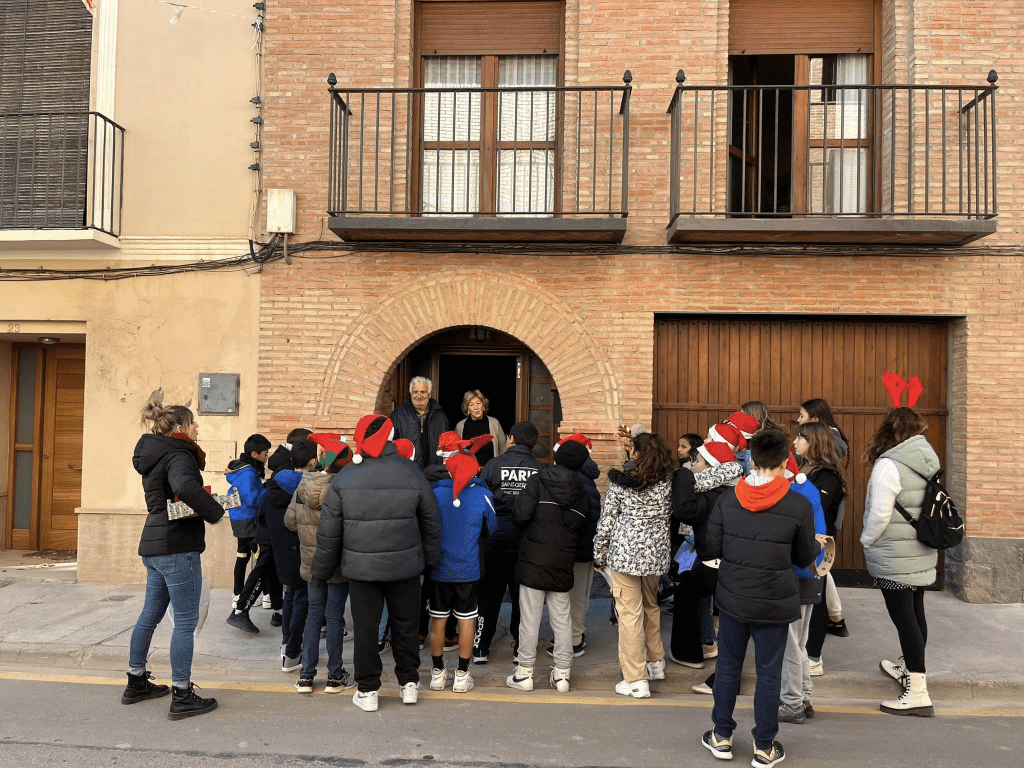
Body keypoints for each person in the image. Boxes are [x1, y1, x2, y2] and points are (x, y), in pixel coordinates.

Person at [701, 430, 820, 767]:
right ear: (785, 462)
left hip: (734, 598)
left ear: (751, 459)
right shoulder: (798, 504)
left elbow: (712, 547)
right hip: (774, 601)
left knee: (727, 667)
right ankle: (764, 747)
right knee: (769, 673)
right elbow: (802, 557)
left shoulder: (727, 499)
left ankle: (721, 736)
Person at [312, 415, 440, 712]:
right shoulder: (411, 471)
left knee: (366, 631)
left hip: (362, 570)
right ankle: (409, 685)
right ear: (391, 437)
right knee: (406, 627)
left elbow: (329, 530)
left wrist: (321, 570)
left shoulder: (345, 477)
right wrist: (431, 560)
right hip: (406, 566)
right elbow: (431, 520)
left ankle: (368, 690)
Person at [126, 389, 223, 720]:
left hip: (154, 545)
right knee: (185, 621)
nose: (198, 430)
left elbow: (169, 502)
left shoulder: (155, 453)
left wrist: (203, 505)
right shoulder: (180, 454)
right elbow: (184, 487)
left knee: (149, 615)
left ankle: (136, 681)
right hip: (177, 547)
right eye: (195, 424)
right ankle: (182, 695)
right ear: (181, 427)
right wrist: (215, 511)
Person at [861, 407, 939, 717]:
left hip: (895, 554)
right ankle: (910, 666)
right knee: (916, 611)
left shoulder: (888, 465)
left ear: (889, 432)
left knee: (904, 618)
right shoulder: (927, 459)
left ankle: (918, 692)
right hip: (920, 549)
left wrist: (867, 540)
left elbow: (880, 514)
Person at [507, 434, 591, 693]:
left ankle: (524, 673)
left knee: (529, 618)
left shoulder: (538, 480)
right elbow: (579, 525)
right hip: (562, 559)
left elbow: (520, 515)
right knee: (562, 619)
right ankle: (562, 675)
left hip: (533, 557)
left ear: (557, 457)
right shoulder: (582, 492)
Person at [594, 433, 676, 699]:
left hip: (624, 557)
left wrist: (599, 555)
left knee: (629, 615)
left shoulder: (621, 483)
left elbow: (606, 523)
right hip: (655, 559)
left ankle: (635, 679)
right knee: (651, 605)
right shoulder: (670, 482)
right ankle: (656, 664)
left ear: (637, 454)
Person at [427, 432, 497, 694]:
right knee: (467, 620)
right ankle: (461, 674)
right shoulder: (482, 495)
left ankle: (436, 673)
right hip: (468, 568)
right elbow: (492, 527)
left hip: (439, 567)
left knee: (438, 619)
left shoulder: (435, 493)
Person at [287, 433, 355, 694]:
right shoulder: (343, 489)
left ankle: (306, 676)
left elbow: (289, 522)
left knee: (314, 615)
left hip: (311, 563)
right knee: (335, 618)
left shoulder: (303, 485)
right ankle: (335, 676)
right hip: (337, 563)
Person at [669, 441, 742, 669]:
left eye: (697, 461)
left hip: (716, 561)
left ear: (712, 467)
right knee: (696, 595)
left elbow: (684, 511)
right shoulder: (736, 489)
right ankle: (707, 645)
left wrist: (682, 478)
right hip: (729, 562)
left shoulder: (711, 494)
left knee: (686, 595)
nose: (693, 465)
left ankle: (689, 654)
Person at [475, 421, 543, 664]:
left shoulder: (494, 465)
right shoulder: (537, 468)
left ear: (511, 438)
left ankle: (480, 647)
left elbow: (481, 499)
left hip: (494, 537)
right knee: (521, 596)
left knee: (488, 594)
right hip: (525, 540)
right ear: (533, 443)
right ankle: (520, 647)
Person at [795, 421, 850, 677]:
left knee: (817, 601)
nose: (794, 443)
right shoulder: (807, 468)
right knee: (811, 598)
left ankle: (814, 657)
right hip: (806, 542)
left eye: (800, 438)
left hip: (819, 544)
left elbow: (809, 505)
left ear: (813, 443)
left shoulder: (826, 474)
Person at [778, 452, 828, 725]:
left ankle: (792, 702)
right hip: (810, 574)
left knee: (790, 646)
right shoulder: (806, 490)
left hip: (796, 576)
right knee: (799, 643)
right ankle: (804, 696)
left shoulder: (791, 495)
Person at [266, 438, 317, 673]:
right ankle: (293, 653)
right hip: (304, 550)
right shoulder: (313, 485)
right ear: (313, 461)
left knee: (290, 597)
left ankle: (286, 643)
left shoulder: (278, 483)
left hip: (283, 550)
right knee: (303, 601)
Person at [225, 434, 271, 607]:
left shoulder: (240, 470)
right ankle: (267, 595)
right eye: (265, 454)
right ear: (254, 455)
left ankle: (237, 594)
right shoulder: (249, 473)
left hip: (238, 518)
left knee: (242, 555)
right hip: (248, 519)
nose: (267, 457)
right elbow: (253, 499)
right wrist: (267, 489)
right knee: (262, 558)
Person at [391, 376, 449, 470]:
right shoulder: (398, 415)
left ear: (429, 394)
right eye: (415, 392)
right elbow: (391, 445)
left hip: (435, 472)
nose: (419, 396)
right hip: (408, 471)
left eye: (423, 392)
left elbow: (447, 445)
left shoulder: (440, 416)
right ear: (410, 393)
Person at [455, 389, 507, 466]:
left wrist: (500, 467)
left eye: (478, 403)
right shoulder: (460, 426)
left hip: (491, 470)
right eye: (471, 405)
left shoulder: (494, 423)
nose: (476, 408)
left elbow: (503, 448)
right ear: (468, 409)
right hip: (468, 470)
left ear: (484, 406)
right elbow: (456, 451)